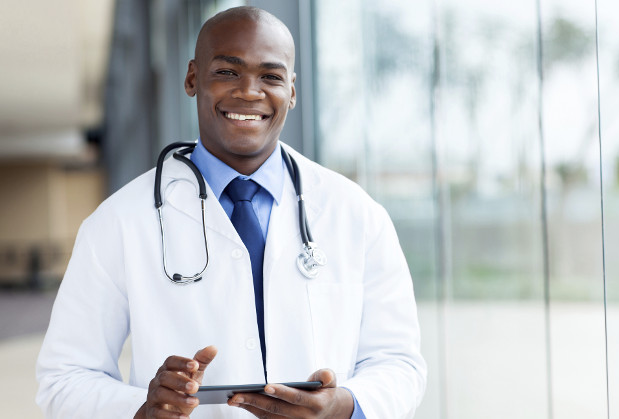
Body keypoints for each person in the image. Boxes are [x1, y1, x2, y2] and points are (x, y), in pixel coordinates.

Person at [35, 6, 426, 419]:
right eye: (227, 72)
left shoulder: (357, 214)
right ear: (192, 78)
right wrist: (142, 409)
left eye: (271, 77)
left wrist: (345, 406)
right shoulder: (118, 222)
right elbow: (64, 379)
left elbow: (400, 363)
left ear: (292, 91)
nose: (249, 92)